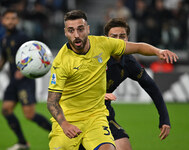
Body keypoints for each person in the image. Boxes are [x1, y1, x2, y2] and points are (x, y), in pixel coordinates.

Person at [47, 10, 178, 150]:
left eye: (80, 29)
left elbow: (139, 50)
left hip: (96, 116)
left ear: (88, 29)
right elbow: (52, 101)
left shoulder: (105, 46)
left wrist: (158, 51)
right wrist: (65, 124)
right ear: (65, 32)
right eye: (71, 31)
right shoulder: (61, 62)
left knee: (116, 147)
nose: (76, 35)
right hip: (70, 118)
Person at [0, 9, 51, 150]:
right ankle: (22, 143)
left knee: (29, 115)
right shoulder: (4, 38)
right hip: (13, 82)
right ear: (2, 21)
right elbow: (5, 57)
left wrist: (23, 71)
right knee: (6, 110)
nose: (10, 21)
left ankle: (59, 134)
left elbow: (36, 55)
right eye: (7, 18)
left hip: (25, 81)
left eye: (13, 18)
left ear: (17, 21)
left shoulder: (23, 37)